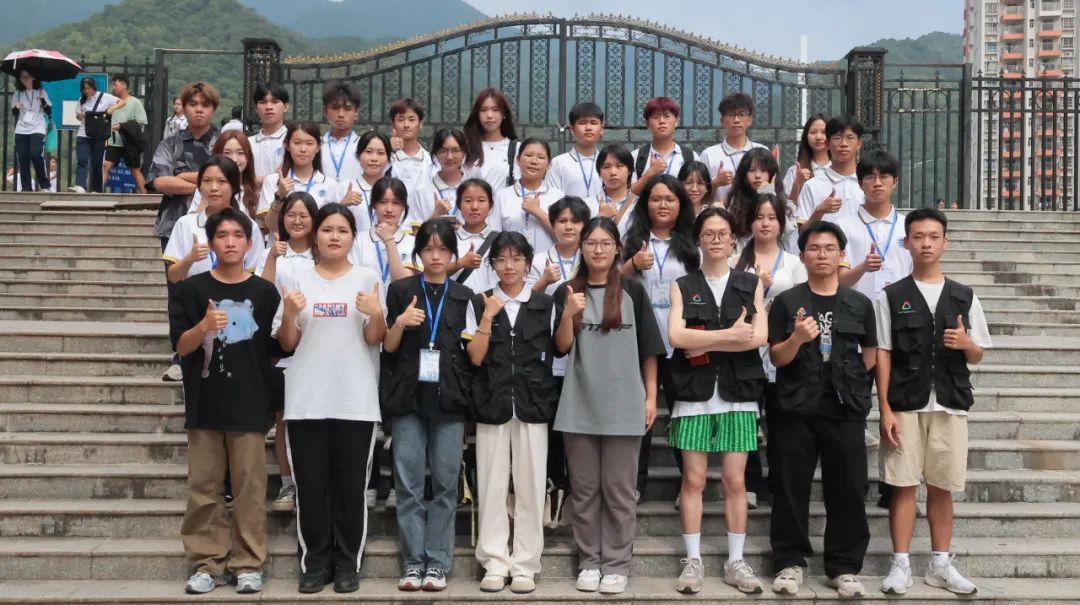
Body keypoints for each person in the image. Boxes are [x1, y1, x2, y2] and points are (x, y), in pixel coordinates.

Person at [875, 208, 990, 597]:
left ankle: (940, 564)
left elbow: (978, 353)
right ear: (906, 242)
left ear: (945, 242)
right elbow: (884, 352)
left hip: (950, 403)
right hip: (905, 403)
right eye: (918, 236)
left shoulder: (964, 296)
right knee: (902, 485)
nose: (926, 243)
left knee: (943, 486)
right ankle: (901, 564)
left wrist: (966, 343)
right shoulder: (891, 295)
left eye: (933, 237)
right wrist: (885, 409)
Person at [273, 203, 386, 594]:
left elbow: (375, 338)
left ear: (353, 237)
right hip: (306, 400)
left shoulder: (368, 277)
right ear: (315, 236)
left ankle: (348, 563)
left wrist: (376, 313)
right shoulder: (298, 278)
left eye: (342, 230)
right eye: (327, 229)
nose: (334, 236)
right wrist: (290, 313)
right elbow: (287, 342)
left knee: (351, 489)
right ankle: (315, 562)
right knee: (311, 487)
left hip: (355, 400)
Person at [169, 206, 280, 595]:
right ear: (211, 243)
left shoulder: (265, 293)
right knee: (205, 487)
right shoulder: (191, 290)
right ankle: (206, 563)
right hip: (205, 403)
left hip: (250, 403)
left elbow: (275, 350)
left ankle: (249, 563)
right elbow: (182, 347)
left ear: (249, 244)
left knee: (250, 488)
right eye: (222, 235)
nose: (230, 242)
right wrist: (203, 326)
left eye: (237, 236)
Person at [553, 217, 664, 595]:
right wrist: (568, 312)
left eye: (605, 243)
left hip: (624, 405)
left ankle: (616, 564)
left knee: (619, 490)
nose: (598, 249)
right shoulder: (569, 291)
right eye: (591, 243)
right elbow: (561, 347)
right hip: (579, 403)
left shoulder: (633, 290)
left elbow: (649, 350)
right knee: (584, 490)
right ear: (581, 248)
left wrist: (651, 397)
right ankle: (589, 561)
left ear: (618, 248)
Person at [766, 221, 876, 599]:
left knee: (848, 488)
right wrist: (797, 338)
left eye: (830, 248)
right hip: (795, 406)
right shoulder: (787, 301)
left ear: (842, 255)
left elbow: (871, 354)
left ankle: (844, 567)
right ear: (802, 255)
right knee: (789, 486)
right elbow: (777, 357)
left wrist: (854, 384)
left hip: (844, 407)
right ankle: (790, 561)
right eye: (814, 248)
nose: (822, 254)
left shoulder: (859, 303)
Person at [667, 207, 767, 595]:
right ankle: (693, 561)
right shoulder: (683, 285)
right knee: (692, 479)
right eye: (708, 233)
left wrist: (706, 341)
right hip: (694, 392)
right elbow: (677, 337)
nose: (715, 240)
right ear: (698, 240)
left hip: (739, 393)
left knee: (735, 480)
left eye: (722, 234)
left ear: (733, 240)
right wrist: (728, 337)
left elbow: (759, 337)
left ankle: (735, 561)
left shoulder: (750, 283)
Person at [464, 231, 557, 595]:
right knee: (492, 485)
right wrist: (488, 317)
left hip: (533, 403)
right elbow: (475, 357)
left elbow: (560, 347)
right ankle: (494, 561)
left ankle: (525, 564)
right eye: (501, 259)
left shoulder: (545, 304)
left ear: (528, 264)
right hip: (492, 402)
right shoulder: (479, 302)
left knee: (531, 485)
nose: (509, 266)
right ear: (492, 265)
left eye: (516, 259)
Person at [382, 219, 473, 592]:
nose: (435, 256)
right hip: (408, 400)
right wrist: (402, 323)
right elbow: (387, 346)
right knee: (408, 485)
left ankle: (437, 563)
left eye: (443, 249)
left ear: (452, 254)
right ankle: (413, 562)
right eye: (428, 249)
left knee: (446, 486)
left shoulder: (465, 297)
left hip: (450, 401)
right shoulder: (401, 290)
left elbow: (472, 354)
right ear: (418, 253)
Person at [621, 174, 700, 501]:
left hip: (681, 341)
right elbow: (610, 282)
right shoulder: (634, 240)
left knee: (684, 415)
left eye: (669, 199)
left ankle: (689, 485)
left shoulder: (692, 242)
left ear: (681, 204)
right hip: (640, 342)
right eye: (655, 199)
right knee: (642, 415)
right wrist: (632, 264)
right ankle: (636, 485)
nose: (662, 205)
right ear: (646, 204)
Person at [734, 193, 808, 509]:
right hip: (745, 351)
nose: (765, 224)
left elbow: (802, 306)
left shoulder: (793, 263)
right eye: (759, 217)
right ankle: (750, 483)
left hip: (781, 351)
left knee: (781, 423)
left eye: (771, 218)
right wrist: (757, 289)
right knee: (747, 420)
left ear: (781, 223)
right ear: (750, 222)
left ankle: (779, 481)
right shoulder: (736, 261)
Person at [526, 196, 591, 525]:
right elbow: (521, 304)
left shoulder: (592, 259)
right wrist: (543, 283)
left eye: (575, 221)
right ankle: (552, 490)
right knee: (551, 432)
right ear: (552, 225)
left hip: (583, 358)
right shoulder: (539, 260)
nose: (569, 226)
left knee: (577, 434)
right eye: (562, 221)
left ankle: (577, 494)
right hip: (547, 360)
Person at [255, 192, 317, 515]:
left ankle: (312, 483)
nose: (297, 221)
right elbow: (260, 294)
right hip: (279, 340)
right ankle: (287, 481)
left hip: (317, 341)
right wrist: (271, 258)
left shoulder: (323, 254)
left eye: (304, 215)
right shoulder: (273, 252)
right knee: (284, 419)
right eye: (291, 214)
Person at [163, 156, 264, 284]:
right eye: (207, 181)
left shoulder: (249, 225)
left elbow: (255, 274)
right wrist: (190, 258)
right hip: (196, 294)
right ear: (200, 187)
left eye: (221, 181)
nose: (214, 188)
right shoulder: (185, 224)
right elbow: (173, 276)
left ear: (233, 186)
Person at [150, 81, 220, 252]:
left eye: (205, 105)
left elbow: (231, 179)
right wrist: (204, 188)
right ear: (184, 107)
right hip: (173, 225)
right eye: (193, 104)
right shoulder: (170, 144)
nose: (199, 109)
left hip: (218, 225)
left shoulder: (223, 144)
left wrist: (181, 178)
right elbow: (160, 182)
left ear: (214, 109)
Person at [489, 138, 563, 255]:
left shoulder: (558, 197)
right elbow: (493, 236)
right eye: (529, 155)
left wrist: (538, 212)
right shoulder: (502, 196)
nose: (534, 161)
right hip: (512, 263)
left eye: (541, 157)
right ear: (518, 160)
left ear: (549, 165)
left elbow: (565, 237)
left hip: (549, 263)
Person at [257, 121, 339, 218]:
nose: (303, 149)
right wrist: (279, 196)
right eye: (297, 143)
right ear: (287, 145)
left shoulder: (330, 185)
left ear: (318, 147)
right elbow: (268, 224)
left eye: (309, 143)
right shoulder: (273, 181)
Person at [796, 116, 865, 227]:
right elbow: (802, 232)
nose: (844, 143)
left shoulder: (868, 184)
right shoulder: (812, 186)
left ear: (859, 144)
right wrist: (819, 211)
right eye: (837, 138)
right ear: (827, 143)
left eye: (850, 138)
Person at [701, 93, 768, 204]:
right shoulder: (709, 155)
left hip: (756, 213)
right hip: (722, 214)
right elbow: (698, 197)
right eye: (731, 114)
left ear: (749, 120)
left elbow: (773, 190)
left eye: (742, 114)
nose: (736, 120)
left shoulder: (762, 151)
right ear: (722, 120)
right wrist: (716, 183)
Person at [350, 176, 419, 283]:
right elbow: (353, 278)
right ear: (374, 204)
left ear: (403, 207)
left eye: (396, 203)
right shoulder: (358, 240)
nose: (389, 209)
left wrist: (389, 240)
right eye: (383, 202)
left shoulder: (413, 243)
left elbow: (403, 281)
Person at [630, 97, 698, 195]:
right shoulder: (636, 157)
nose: (661, 121)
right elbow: (629, 194)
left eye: (667, 116)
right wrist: (650, 172)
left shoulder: (690, 157)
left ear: (677, 121)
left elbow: (697, 191)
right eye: (656, 117)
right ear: (647, 124)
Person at [408, 128, 475, 223]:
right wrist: (435, 216)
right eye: (443, 151)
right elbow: (413, 227)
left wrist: (463, 229)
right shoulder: (422, 189)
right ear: (435, 154)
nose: (449, 157)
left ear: (464, 153)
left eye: (455, 150)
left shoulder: (475, 188)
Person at [188, 131, 258, 218]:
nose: (234, 159)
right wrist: (205, 201)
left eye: (240, 153)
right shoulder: (205, 190)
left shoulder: (255, 191)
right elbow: (192, 222)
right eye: (227, 153)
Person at [446, 178, 498, 294]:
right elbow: (433, 275)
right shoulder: (448, 240)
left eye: (481, 200)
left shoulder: (500, 240)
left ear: (491, 205)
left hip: (491, 302)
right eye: (468, 200)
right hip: (456, 301)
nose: (474, 206)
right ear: (458, 205)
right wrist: (461, 263)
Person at [545, 102, 605, 202]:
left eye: (593, 123)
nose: (588, 128)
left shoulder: (608, 163)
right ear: (572, 130)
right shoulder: (558, 163)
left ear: (602, 129)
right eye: (582, 123)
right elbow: (552, 200)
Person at [463, 88, 519, 194]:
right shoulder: (466, 148)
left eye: (495, 110)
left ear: (504, 114)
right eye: (483, 110)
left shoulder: (516, 149)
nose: (489, 115)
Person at [338, 130, 393, 232]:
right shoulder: (345, 188)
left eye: (381, 153)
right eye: (368, 152)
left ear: (388, 158)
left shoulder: (394, 189)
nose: (374, 158)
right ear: (359, 155)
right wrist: (342, 205)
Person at [74, 77, 122, 193]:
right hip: (83, 133)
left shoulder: (104, 97)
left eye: (88, 88)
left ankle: (96, 188)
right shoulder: (82, 100)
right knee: (82, 159)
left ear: (93, 86)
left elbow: (122, 102)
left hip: (99, 135)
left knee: (96, 162)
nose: (87, 91)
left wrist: (112, 108)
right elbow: (78, 116)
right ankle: (80, 185)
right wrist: (80, 115)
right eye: (84, 89)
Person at [104, 73, 149, 194]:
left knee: (135, 170)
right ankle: (97, 193)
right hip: (114, 141)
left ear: (124, 85)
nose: (113, 87)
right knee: (106, 165)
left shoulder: (135, 102)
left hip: (129, 142)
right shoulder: (112, 102)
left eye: (115, 84)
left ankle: (146, 195)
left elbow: (141, 122)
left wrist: (122, 126)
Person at [726, 148, 781, 242]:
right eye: (751, 170)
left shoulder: (782, 203)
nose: (757, 175)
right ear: (743, 174)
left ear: (772, 174)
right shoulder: (735, 204)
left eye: (763, 170)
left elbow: (787, 234)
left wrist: (770, 196)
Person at [11, 69, 52, 192]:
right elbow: (14, 112)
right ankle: (26, 187)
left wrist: (42, 100)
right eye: (22, 77)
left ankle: (44, 184)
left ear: (33, 77)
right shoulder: (18, 93)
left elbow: (48, 111)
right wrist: (16, 108)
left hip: (37, 127)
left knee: (35, 154)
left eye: (27, 76)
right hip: (21, 129)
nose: (24, 79)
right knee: (23, 157)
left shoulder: (41, 92)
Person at [782, 114, 830, 206]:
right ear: (806, 136)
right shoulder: (794, 171)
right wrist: (797, 184)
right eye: (813, 132)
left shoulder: (838, 170)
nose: (818, 137)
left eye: (824, 132)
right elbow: (787, 209)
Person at [321, 80, 362, 183]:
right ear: (325, 111)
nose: (341, 114)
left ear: (356, 112)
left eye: (347, 109)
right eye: (335, 108)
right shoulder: (316, 145)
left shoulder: (363, 146)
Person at [250, 84, 290, 186]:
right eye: (263, 102)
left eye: (275, 102)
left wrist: (254, 180)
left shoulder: (293, 141)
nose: (269, 107)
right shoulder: (247, 143)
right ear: (256, 108)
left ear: (286, 107)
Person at [389, 98, 432, 189]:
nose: (406, 125)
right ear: (393, 124)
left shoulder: (429, 161)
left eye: (411, 120)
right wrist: (388, 149)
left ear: (420, 124)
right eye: (401, 120)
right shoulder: (386, 159)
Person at [595, 144, 637, 235]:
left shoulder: (639, 204)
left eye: (619, 166)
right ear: (599, 172)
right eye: (606, 167)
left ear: (629, 170)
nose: (613, 172)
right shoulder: (588, 204)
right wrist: (601, 217)